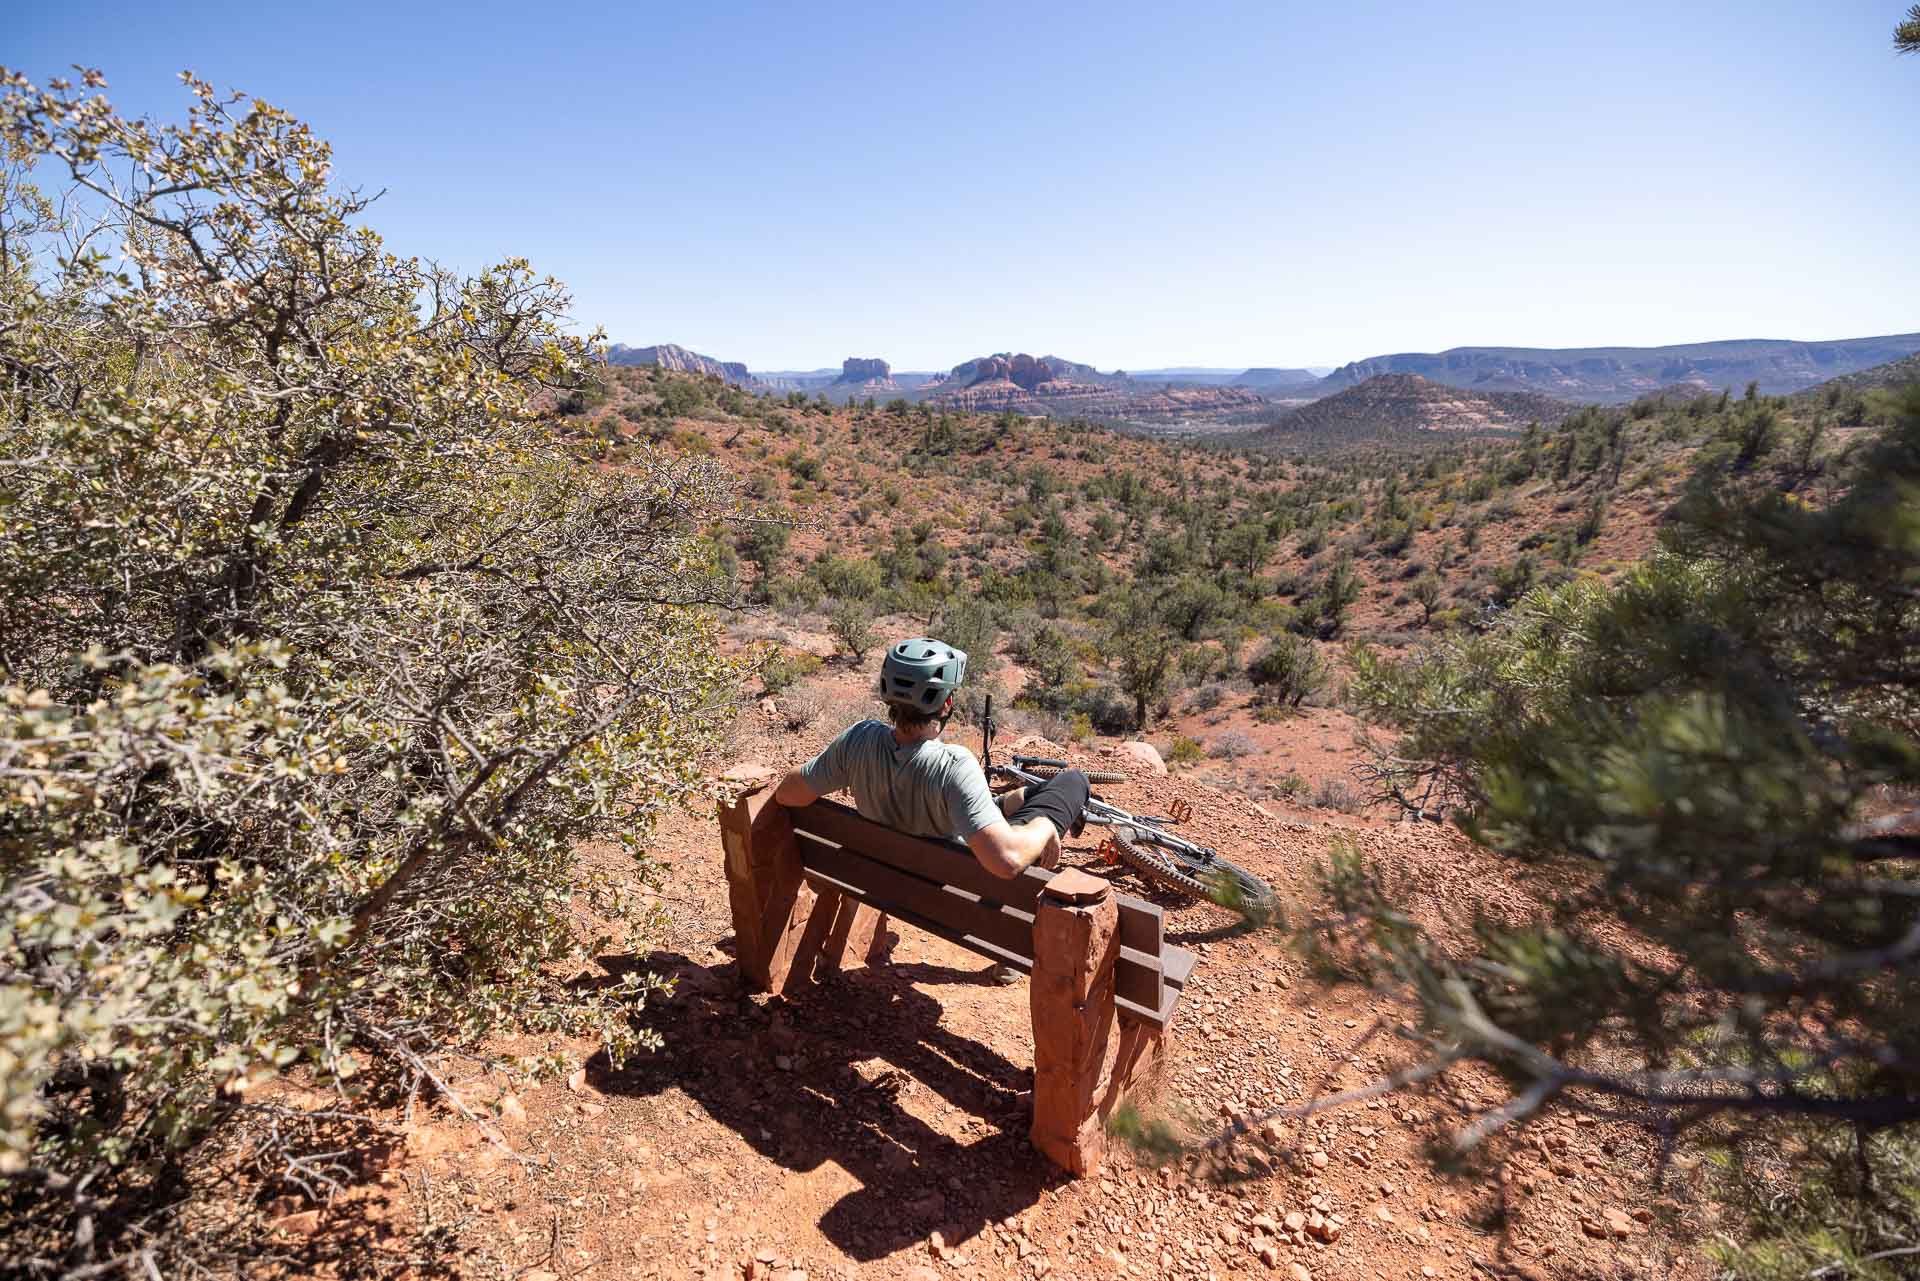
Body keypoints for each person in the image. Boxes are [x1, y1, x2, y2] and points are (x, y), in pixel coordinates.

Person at [773, 637, 1089, 880]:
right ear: (947, 702)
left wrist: (853, 772)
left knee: (1021, 797)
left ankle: (1003, 804)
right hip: (951, 885)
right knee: (1073, 781)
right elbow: (1006, 861)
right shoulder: (954, 765)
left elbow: (788, 792)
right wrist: (1045, 827)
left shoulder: (858, 739)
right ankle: (1039, 811)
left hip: (880, 875)